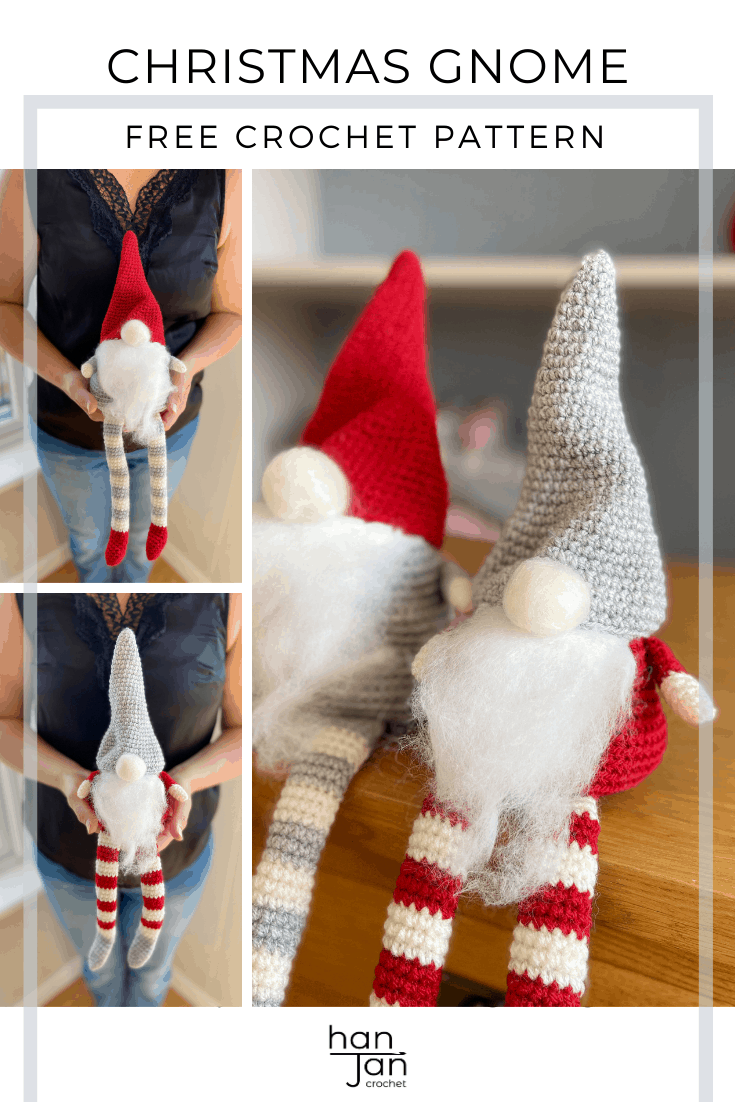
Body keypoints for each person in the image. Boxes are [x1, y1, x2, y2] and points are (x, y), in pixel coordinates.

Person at [0, 591, 242, 1007]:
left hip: (178, 861)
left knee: (152, 979)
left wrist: (181, 781)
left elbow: (245, 734)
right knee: (101, 975)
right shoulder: (18, 599)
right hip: (67, 856)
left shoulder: (229, 597)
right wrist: (69, 779)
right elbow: (5, 721)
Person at [0, 169, 242, 581]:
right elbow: (4, 305)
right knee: (89, 545)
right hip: (68, 429)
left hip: (170, 428)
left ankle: (133, 594)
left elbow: (231, 314)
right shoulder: (33, 176)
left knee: (145, 544)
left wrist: (183, 374)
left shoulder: (225, 177)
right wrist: (71, 381)